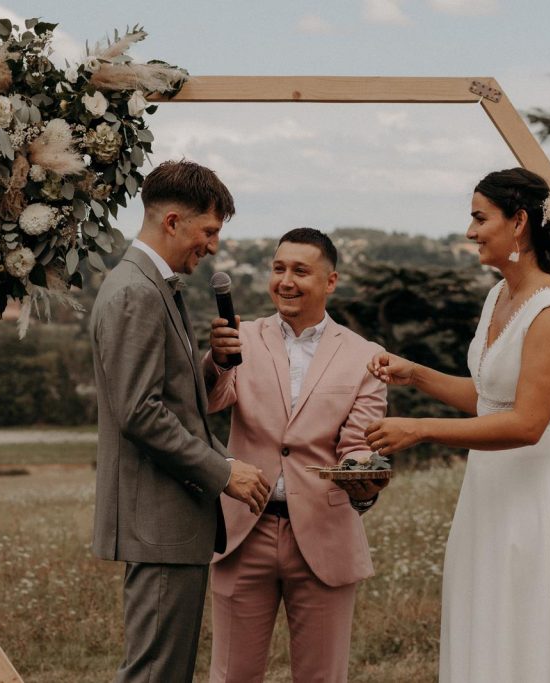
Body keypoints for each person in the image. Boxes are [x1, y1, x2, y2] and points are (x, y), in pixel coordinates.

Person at [364, 167, 550, 681]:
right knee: (490, 617)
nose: (470, 231)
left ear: (520, 222)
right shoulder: (499, 297)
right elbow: (489, 398)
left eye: (480, 217)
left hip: (539, 492)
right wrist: (415, 374)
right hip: (491, 489)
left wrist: (420, 429)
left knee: (530, 623)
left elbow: (527, 422)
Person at [90, 159, 270, 683]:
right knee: (155, 675)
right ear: (172, 222)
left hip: (169, 523)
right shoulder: (135, 293)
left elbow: (167, 396)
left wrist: (211, 362)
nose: (212, 245)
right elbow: (139, 412)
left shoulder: (152, 286)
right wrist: (223, 470)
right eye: (209, 231)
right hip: (159, 525)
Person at [202, 227, 388, 682]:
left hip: (324, 534)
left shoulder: (366, 356)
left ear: (330, 281)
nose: (285, 280)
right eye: (279, 268)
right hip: (244, 528)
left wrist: (362, 473)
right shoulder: (240, 337)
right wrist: (216, 361)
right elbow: (207, 400)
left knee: (322, 676)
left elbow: (358, 445)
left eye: (300, 271)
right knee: (231, 675)